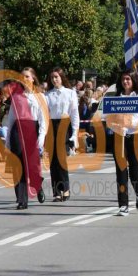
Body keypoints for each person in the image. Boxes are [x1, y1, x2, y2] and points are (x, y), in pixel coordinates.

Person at [105, 70, 138, 216]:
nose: (125, 82)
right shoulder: (116, 97)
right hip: (119, 136)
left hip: (135, 136)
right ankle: (123, 204)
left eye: (128, 79)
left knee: (135, 170)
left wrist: (128, 123)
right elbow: (108, 118)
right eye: (123, 79)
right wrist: (116, 126)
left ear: (133, 80)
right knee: (121, 171)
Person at [4, 78, 47, 210]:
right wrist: (7, 139)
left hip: (32, 129)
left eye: (27, 76)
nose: (25, 79)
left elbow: (43, 119)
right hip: (17, 130)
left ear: (33, 79)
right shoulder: (16, 96)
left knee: (32, 165)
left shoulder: (39, 96)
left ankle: (37, 184)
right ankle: (22, 200)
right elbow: (11, 118)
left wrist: (41, 136)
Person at [45, 67, 79, 202]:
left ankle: (65, 188)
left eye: (56, 77)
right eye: (52, 77)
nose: (54, 80)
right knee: (53, 160)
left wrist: (75, 133)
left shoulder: (70, 93)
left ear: (61, 78)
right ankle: (57, 192)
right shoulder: (47, 95)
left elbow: (74, 114)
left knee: (61, 159)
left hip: (64, 125)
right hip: (51, 125)